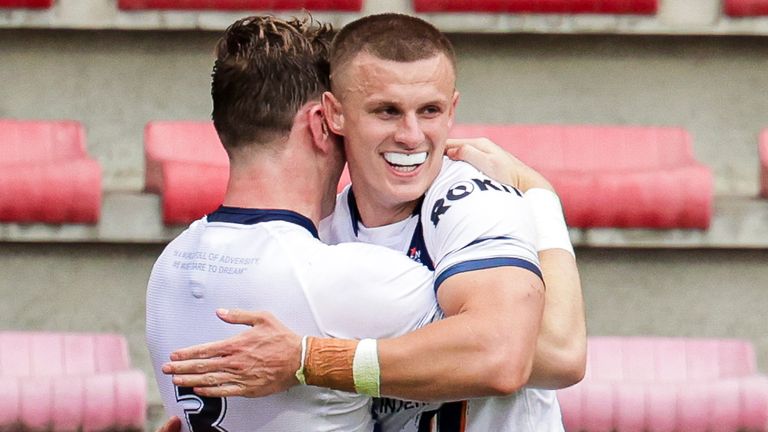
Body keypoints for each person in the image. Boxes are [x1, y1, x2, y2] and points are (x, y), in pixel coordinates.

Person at [162, 13, 585, 432]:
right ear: (333, 115)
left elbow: (537, 354)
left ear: (452, 110)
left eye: (430, 110)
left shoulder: (470, 198)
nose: (412, 135)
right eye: (387, 111)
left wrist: (538, 195)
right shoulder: (324, 235)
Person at [147, 15, 443, 431]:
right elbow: (521, 354)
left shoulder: (168, 268)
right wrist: (534, 197)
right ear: (322, 123)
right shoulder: (338, 276)